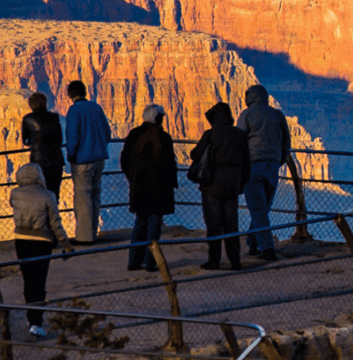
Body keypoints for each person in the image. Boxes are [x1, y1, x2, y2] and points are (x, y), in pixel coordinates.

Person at [9, 163, 72, 336]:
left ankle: (32, 319)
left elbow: (14, 207)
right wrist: (65, 244)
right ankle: (37, 322)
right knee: (39, 282)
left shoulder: (14, 194)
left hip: (21, 241)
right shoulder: (48, 196)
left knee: (28, 281)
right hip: (42, 242)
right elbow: (55, 224)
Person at [190, 102, 250, 271]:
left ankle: (214, 261)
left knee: (214, 224)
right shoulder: (240, 135)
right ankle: (235, 261)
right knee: (232, 224)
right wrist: (241, 184)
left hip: (211, 185)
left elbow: (195, 154)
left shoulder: (210, 134)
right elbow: (247, 164)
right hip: (233, 185)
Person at [120, 104, 178, 272]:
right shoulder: (163, 137)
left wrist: (132, 177)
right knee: (154, 224)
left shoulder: (133, 134)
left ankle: (133, 261)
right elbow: (169, 164)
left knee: (140, 222)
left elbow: (124, 160)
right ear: (158, 118)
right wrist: (172, 182)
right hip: (159, 188)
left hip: (139, 186)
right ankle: (151, 263)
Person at [237, 84, 291, 262]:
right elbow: (286, 143)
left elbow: (239, 141)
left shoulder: (246, 115)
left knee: (258, 209)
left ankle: (267, 250)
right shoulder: (277, 115)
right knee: (263, 208)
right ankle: (253, 244)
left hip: (252, 167)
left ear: (249, 98)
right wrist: (279, 161)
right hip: (273, 167)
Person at [65, 79, 111, 244]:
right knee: (95, 195)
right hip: (100, 158)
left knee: (83, 197)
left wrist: (71, 155)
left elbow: (73, 136)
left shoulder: (74, 110)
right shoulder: (96, 107)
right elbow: (107, 133)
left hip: (83, 160)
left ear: (70, 94)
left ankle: (85, 238)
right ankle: (93, 232)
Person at [21, 91, 65, 199]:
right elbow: (60, 139)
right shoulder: (55, 117)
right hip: (56, 161)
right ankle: (53, 214)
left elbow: (25, 140)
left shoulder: (27, 119)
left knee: (40, 195)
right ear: (45, 103)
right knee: (54, 194)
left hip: (38, 162)